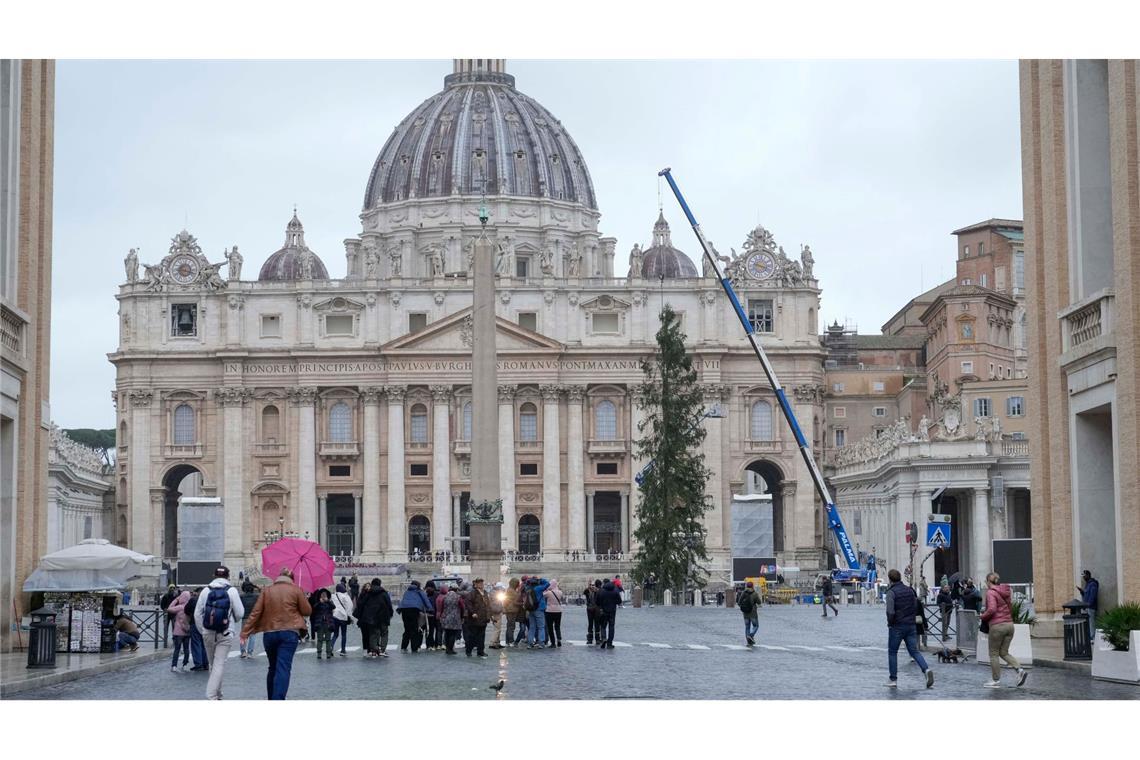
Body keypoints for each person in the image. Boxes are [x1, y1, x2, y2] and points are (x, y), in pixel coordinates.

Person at [240, 567, 312, 700]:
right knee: (283, 668)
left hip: (270, 633)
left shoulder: (267, 591)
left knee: (272, 667)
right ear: (292, 579)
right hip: (289, 633)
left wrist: (245, 632)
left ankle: (271, 698)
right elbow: (307, 611)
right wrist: (303, 597)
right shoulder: (296, 590)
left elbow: (255, 612)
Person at [193, 565, 245, 700]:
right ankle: (211, 696)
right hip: (225, 632)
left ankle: (218, 694)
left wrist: (203, 630)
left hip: (208, 633)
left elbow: (197, 614)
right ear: (228, 577)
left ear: (214, 576)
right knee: (219, 664)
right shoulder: (232, 591)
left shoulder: (205, 591)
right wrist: (232, 620)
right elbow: (240, 613)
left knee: (213, 665)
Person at [884, 569, 934, 689]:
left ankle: (893, 679)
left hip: (897, 625)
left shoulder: (891, 592)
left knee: (892, 652)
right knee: (914, 651)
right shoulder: (909, 590)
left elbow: (890, 611)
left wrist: (890, 623)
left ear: (890, 579)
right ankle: (926, 669)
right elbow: (915, 605)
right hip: (911, 625)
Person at [980, 572, 1028, 688]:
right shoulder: (1005, 591)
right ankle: (1020, 669)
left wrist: (982, 616)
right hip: (1009, 625)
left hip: (998, 626)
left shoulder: (991, 593)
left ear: (988, 581)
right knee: (1004, 652)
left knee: (993, 654)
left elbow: (991, 609)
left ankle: (995, 680)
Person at [397, 579, 432, 653]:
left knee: (407, 629)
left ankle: (403, 646)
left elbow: (403, 601)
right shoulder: (419, 591)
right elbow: (425, 600)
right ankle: (414, 647)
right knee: (414, 629)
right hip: (414, 610)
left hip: (404, 610)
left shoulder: (407, 592)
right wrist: (430, 609)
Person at [464, 577, 491, 657]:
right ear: (475, 584)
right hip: (475, 619)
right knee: (473, 636)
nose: (481, 584)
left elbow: (488, 605)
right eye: (479, 583)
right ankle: (468, 651)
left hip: (483, 618)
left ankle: (480, 651)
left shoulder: (485, 593)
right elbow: (468, 603)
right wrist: (472, 612)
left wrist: (489, 616)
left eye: (482, 583)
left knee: (482, 636)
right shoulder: (472, 593)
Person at [167, 588, 193, 672]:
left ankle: (174, 666)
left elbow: (169, 608)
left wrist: (176, 600)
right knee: (186, 649)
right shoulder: (190, 607)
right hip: (187, 631)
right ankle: (185, 665)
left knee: (177, 649)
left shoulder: (180, 607)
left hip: (178, 631)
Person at [184, 587, 209, 670]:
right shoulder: (208, 600)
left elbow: (186, 610)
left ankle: (198, 664)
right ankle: (206, 663)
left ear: (198, 592)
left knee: (196, 644)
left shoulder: (193, 600)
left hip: (194, 623)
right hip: (206, 625)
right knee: (204, 644)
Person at [595, 579, 622, 648]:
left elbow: (597, 602)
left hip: (604, 611)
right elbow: (619, 601)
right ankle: (609, 643)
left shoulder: (602, 591)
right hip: (612, 611)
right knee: (611, 627)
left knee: (603, 626)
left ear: (604, 583)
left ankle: (604, 638)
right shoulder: (615, 591)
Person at [438, 584, 465, 654]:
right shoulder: (458, 597)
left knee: (447, 633)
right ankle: (450, 649)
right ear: (457, 590)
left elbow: (441, 607)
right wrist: (462, 616)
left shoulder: (445, 597)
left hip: (445, 617)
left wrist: (441, 615)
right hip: (455, 618)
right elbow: (462, 607)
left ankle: (447, 648)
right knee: (453, 634)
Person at [525, 577, 550, 649]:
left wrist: (528, 580)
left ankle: (529, 643)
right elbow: (547, 584)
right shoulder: (539, 588)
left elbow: (526, 583)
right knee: (541, 627)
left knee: (532, 627)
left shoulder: (527, 588)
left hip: (530, 609)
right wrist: (541, 579)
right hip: (539, 609)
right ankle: (541, 643)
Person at [312, 589, 336, 660]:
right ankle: (319, 653)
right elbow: (314, 608)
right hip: (320, 624)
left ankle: (328, 653)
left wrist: (327, 601)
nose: (323, 596)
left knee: (328, 639)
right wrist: (319, 602)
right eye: (322, 595)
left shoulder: (329, 602)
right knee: (320, 639)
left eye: (325, 595)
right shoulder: (318, 602)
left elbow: (333, 607)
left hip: (328, 623)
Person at [330, 582, 353, 656]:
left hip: (335, 616)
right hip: (343, 617)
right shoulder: (345, 596)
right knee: (343, 634)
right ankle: (343, 650)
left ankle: (330, 647)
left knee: (335, 634)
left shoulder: (333, 596)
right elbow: (349, 607)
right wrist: (350, 616)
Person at [239, 583, 261, 659]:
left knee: (243, 636)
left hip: (244, 618)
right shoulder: (256, 596)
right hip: (253, 618)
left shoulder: (241, 597)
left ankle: (243, 652)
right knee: (252, 636)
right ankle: (250, 653)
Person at [504, 577, 526, 647]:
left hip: (510, 610)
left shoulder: (510, 590)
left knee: (509, 626)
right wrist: (522, 603)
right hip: (512, 610)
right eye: (517, 583)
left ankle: (508, 641)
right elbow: (515, 602)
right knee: (511, 626)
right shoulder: (512, 591)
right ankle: (511, 641)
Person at [1078, 570, 1100, 641]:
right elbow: (1086, 595)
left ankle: (1093, 637)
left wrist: (1088, 605)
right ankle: (1090, 637)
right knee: (1088, 623)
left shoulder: (1093, 584)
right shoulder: (1087, 584)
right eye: (1083, 576)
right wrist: (1082, 592)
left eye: (1084, 576)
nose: (1083, 578)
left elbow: (1093, 596)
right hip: (1087, 607)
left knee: (1091, 623)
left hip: (1090, 607)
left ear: (1088, 575)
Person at [738, 581, 761, 646]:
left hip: (745, 613)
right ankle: (751, 635)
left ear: (746, 586)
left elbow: (739, 602)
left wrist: (744, 608)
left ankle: (748, 641)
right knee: (756, 626)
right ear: (752, 586)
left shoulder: (743, 593)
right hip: (753, 613)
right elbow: (759, 602)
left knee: (747, 627)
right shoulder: (755, 593)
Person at [543, 579, 565, 647]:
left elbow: (543, 595)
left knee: (550, 628)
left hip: (549, 611)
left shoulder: (549, 593)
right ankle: (559, 639)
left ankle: (553, 643)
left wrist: (546, 589)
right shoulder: (560, 592)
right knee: (557, 626)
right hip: (558, 611)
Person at [353, 582, 372, 657]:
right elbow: (360, 604)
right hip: (363, 619)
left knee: (370, 634)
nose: (367, 588)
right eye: (366, 586)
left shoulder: (372, 595)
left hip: (370, 618)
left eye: (369, 586)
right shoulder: (362, 595)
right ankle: (365, 649)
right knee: (364, 635)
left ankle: (370, 649)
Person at [424, 580, 442, 651]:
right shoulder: (437, 594)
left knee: (429, 630)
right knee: (437, 630)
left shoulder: (425, 594)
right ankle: (436, 644)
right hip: (436, 614)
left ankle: (429, 644)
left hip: (428, 615)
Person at [488, 582, 506, 649]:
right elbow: (498, 604)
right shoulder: (496, 594)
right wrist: (501, 609)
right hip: (496, 612)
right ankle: (493, 643)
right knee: (497, 628)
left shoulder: (493, 592)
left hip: (495, 612)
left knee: (498, 628)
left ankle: (497, 642)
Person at [585, 579, 602, 645]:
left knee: (597, 624)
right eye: (591, 585)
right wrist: (588, 586)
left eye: (593, 585)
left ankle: (597, 639)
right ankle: (590, 639)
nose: (592, 586)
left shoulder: (597, 591)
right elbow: (585, 591)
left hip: (596, 610)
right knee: (590, 624)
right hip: (589, 609)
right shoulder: (587, 591)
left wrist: (596, 590)